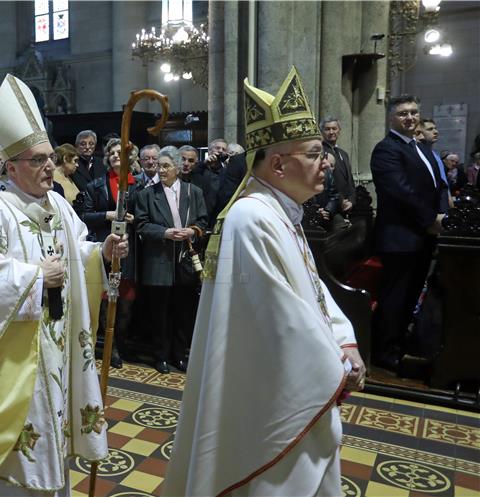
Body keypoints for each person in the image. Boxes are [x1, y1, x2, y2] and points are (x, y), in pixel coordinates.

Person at [164, 67, 365, 497]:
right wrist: (335, 365)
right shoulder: (253, 217)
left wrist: (344, 339)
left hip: (288, 383)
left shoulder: (281, 212)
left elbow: (312, 292)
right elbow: (280, 318)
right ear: (277, 163)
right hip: (274, 397)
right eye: (313, 153)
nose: (325, 162)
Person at [0, 74, 127, 496]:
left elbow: (78, 249)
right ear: (11, 166)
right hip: (16, 356)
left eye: (50, 158)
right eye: (38, 160)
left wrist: (102, 252)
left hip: (58, 343)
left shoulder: (57, 203)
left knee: (53, 425)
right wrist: (36, 278)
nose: (49, 167)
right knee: (22, 437)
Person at [370, 95, 446, 372]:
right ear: (391, 117)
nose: (410, 117)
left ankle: (400, 342)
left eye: (414, 112)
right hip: (400, 238)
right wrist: (430, 219)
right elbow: (401, 191)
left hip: (422, 235)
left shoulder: (420, 147)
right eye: (403, 113)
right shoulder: (386, 150)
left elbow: (436, 185)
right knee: (395, 297)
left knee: (412, 294)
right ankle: (383, 351)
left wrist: (440, 216)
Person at [134, 146, 207, 373]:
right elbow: (142, 224)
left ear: (177, 167)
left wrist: (192, 231)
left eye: (166, 166)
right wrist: (165, 233)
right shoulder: (147, 194)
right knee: (160, 313)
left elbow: (204, 222)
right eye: (159, 166)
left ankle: (179, 355)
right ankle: (161, 356)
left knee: (183, 311)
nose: (161, 170)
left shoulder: (192, 191)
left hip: (184, 260)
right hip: (159, 259)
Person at [79, 138, 144, 369]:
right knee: (108, 299)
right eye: (112, 152)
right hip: (105, 248)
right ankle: (110, 346)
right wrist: (106, 215)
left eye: (121, 152)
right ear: (107, 157)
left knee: (127, 300)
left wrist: (134, 220)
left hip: (130, 249)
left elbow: (147, 217)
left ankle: (123, 342)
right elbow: (85, 216)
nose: (116, 155)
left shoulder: (139, 184)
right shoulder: (96, 185)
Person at [320, 117, 356, 214]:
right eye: (327, 129)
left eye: (334, 128)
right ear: (322, 132)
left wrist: (351, 201)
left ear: (339, 130)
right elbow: (325, 183)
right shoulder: (321, 153)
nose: (331, 132)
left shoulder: (344, 154)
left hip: (348, 206)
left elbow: (350, 182)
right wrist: (341, 201)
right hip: (330, 207)